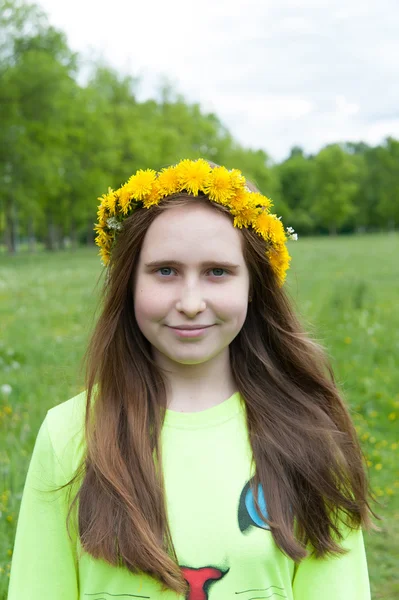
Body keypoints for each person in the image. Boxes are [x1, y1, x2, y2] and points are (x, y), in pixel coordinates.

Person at [8, 158, 380, 599]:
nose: (189, 302)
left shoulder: (310, 434)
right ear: (129, 283)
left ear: (253, 285)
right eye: (165, 270)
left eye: (217, 272)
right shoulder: (69, 435)